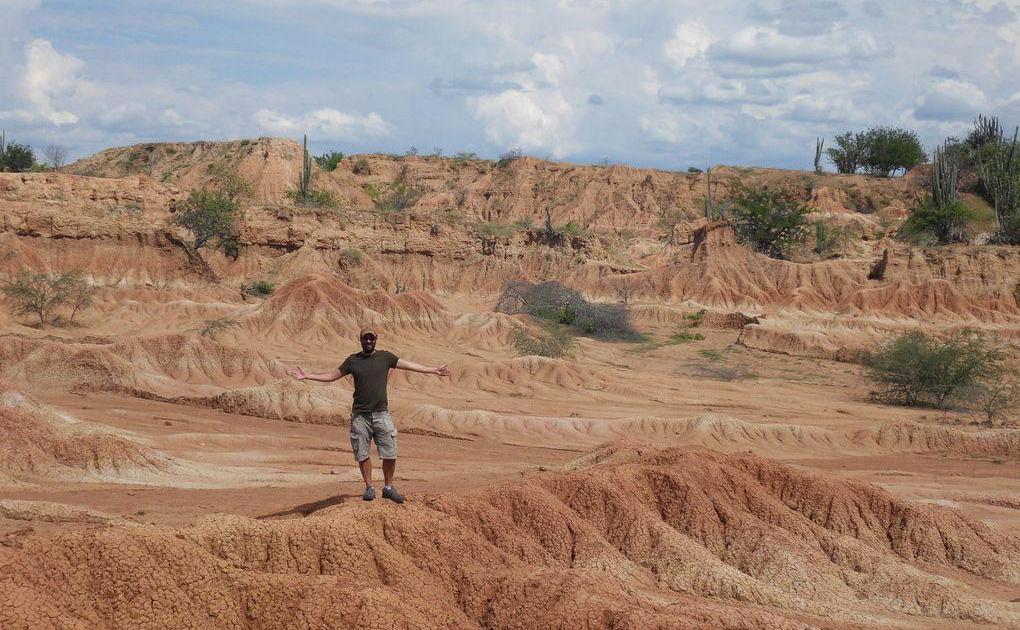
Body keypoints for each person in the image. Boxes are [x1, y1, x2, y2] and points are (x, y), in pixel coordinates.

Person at [287, 327, 451, 503]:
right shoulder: (352, 360)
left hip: (381, 414)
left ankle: (388, 488)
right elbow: (332, 376)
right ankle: (369, 487)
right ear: (360, 340)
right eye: (365, 339)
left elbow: (410, 365)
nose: (368, 341)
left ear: (376, 339)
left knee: (390, 452)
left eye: (371, 338)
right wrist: (308, 376)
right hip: (360, 416)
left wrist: (433, 370)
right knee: (362, 454)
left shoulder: (385, 357)